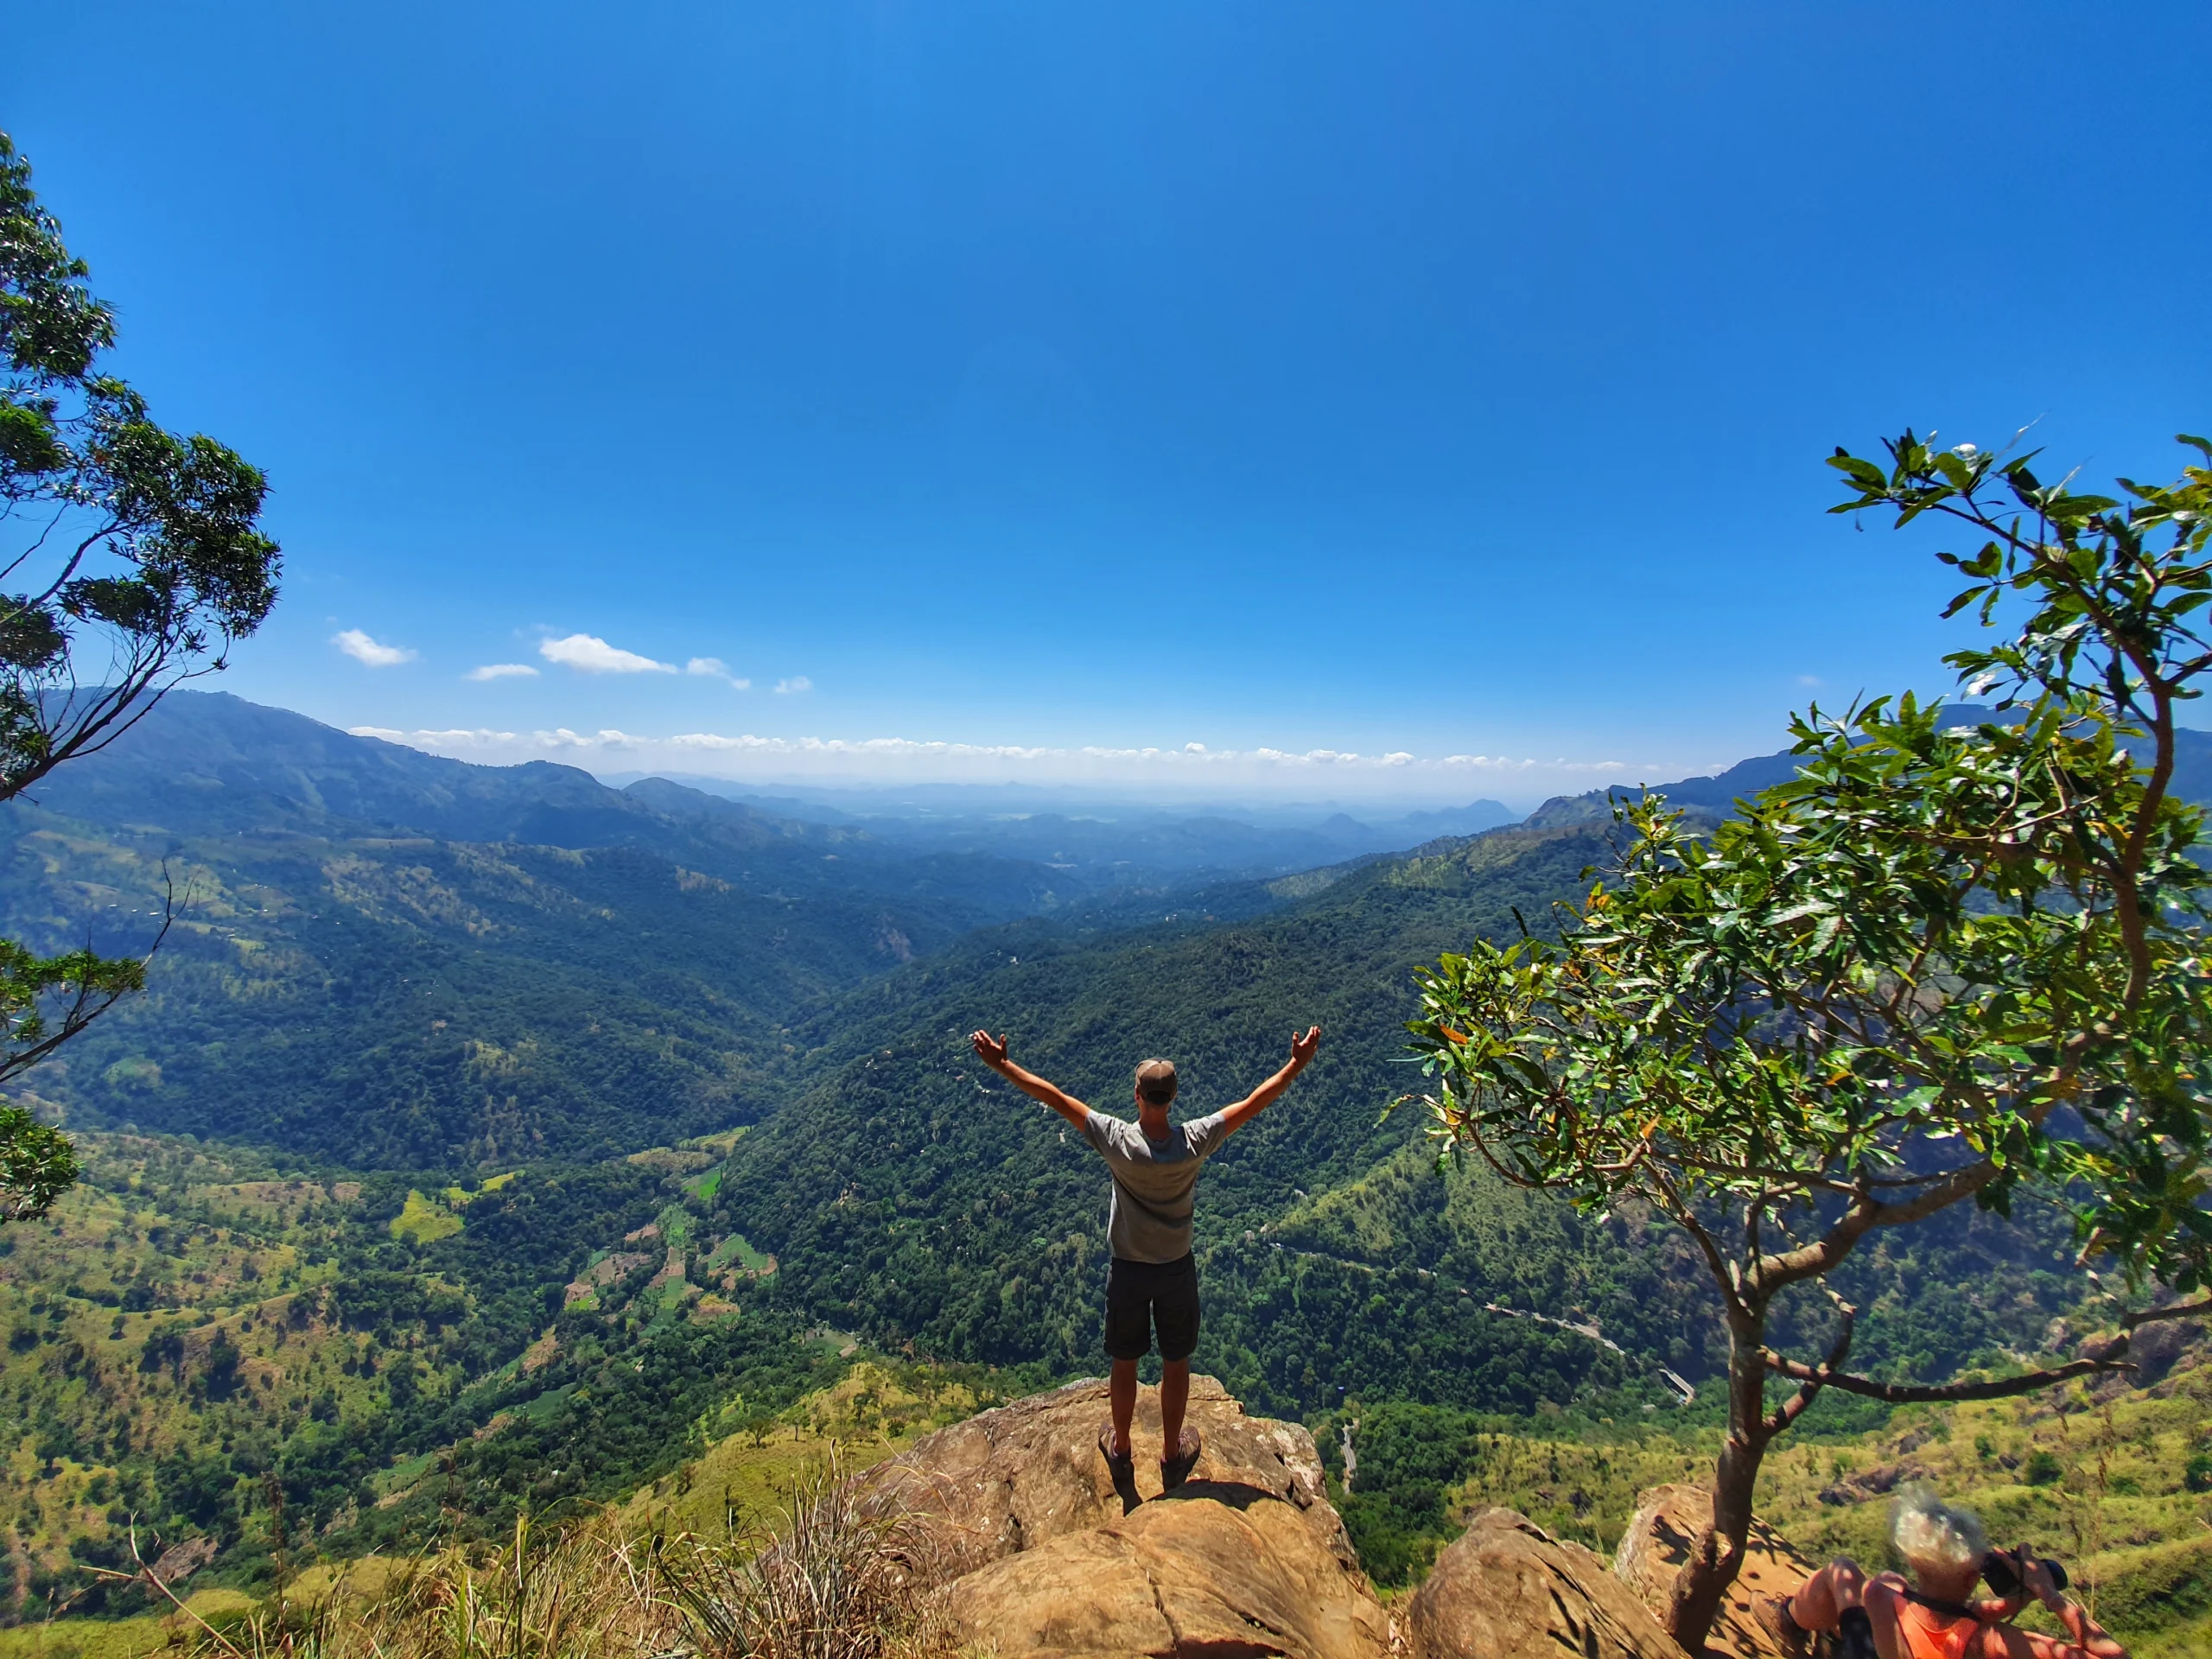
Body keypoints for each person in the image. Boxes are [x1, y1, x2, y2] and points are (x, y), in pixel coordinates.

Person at [969, 1025, 1320, 1494]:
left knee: (1125, 1360)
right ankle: (1173, 1455)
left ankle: (1121, 1450)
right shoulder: (1195, 1141)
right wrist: (1296, 1064)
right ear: (1173, 1097)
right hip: (1176, 1269)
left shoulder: (1117, 1140)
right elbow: (1254, 1103)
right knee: (1176, 1363)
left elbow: (1054, 1097)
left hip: (1128, 1270)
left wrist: (1002, 1065)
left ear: (1137, 1094)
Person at [1766, 1484, 2127, 1659]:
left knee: (1841, 1571)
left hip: (1878, 1647)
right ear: (1973, 1577)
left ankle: (1787, 1621)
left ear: (1913, 1560)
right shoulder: (1988, 1643)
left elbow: (1944, 1614)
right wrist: (2049, 1594)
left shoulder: (1883, 1594)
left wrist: (2010, 1601)